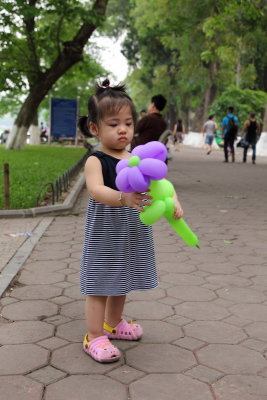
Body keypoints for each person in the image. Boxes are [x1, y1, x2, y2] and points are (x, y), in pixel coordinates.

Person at [77, 79, 183, 363]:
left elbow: (162, 183)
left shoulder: (136, 157)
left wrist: (173, 201)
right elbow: (96, 190)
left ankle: (114, 323)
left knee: (123, 277)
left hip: (132, 231)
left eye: (128, 123)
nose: (123, 129)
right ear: (95, 128)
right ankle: (94, 335)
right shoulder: (96, 160)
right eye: (113, 124)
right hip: (106, 231)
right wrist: (124, 198)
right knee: (100, 282)